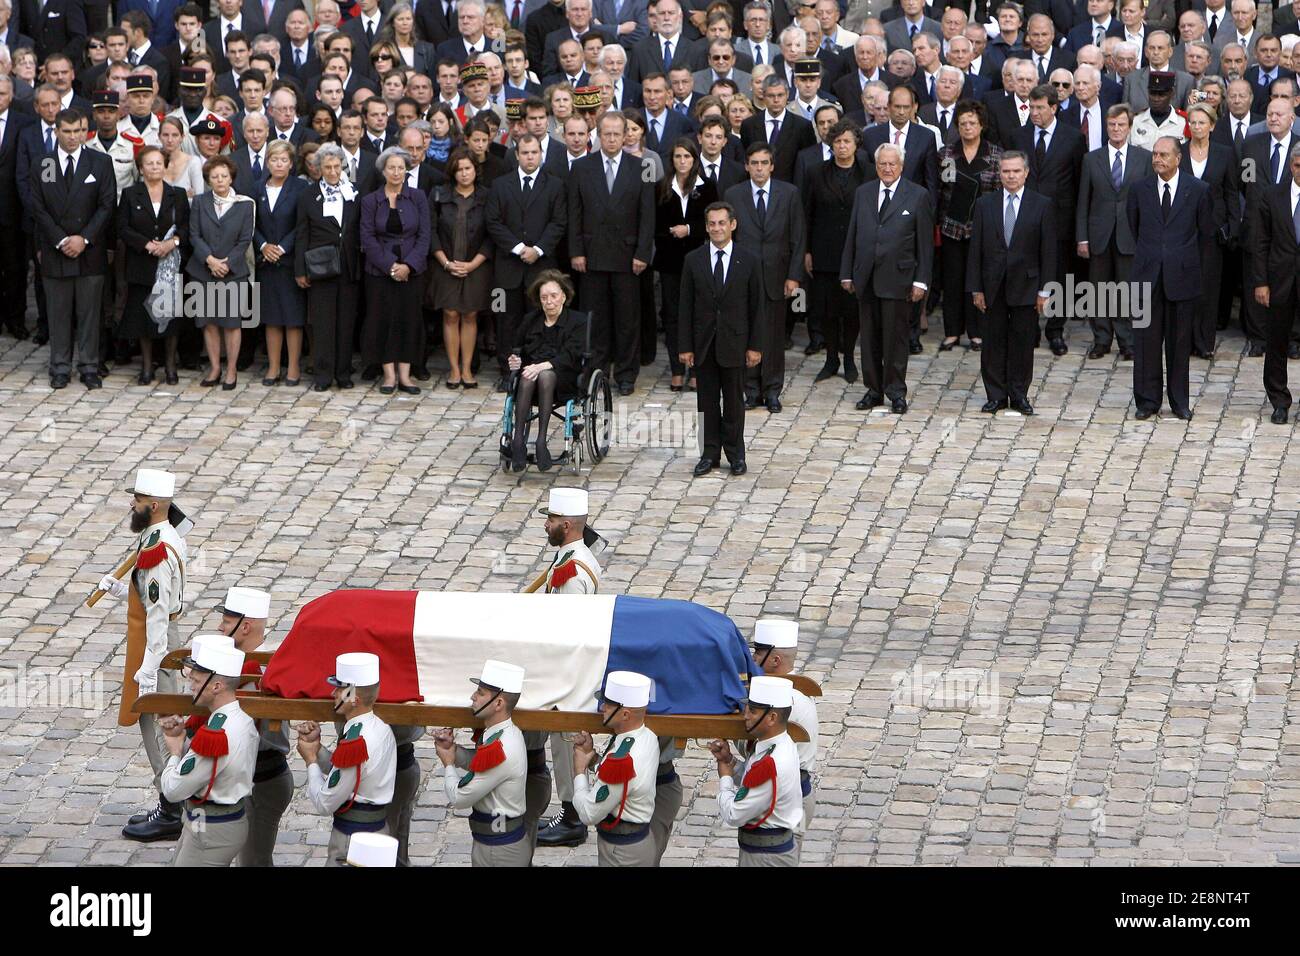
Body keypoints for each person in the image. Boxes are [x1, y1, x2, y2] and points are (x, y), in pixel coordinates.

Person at [101, 469, 189, 842]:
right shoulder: (162, 536)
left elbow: (157, 612)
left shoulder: (155, 548)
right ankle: (170, 803)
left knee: (157, 724)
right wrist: (124, 591)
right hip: (157, 637)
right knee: (157, 722)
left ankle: (171, 808)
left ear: (153, 505)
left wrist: (150, 668)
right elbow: (155, 596)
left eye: (136, 500)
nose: (131, 505)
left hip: (156, 644)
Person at [533, 486, 604, 848]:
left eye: (550, 520)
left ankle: (573, 817)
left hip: (566, 674)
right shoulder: (569, 557)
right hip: (561, 671)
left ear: (567, 524)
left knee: (566, 745)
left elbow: (571, 631)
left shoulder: (573, 571)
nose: (545, 526)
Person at [840, 142, 934, 415]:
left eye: (893, 164)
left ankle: (895, 391)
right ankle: (873, 389)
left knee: (895, 339)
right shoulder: (864, 193)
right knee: (869, 337)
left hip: (899, 279)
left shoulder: (917, 196)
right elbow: (853, 235)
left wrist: (921, 281)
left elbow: (925, 245)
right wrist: (847, 272)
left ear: (902, 167)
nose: (888, 168)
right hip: (866, 277)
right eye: (883, 164)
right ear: (876, 166)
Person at [567, 110, 655, 396]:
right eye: (608, 134)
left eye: (619, 133)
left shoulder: (640, 167)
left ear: (626, 134)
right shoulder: (582, 168)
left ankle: (627, 374)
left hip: (628, 257)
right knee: (595, 319)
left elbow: (647, 216)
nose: (613, 138)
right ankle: (597, 370)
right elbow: (574, 214)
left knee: (627, 319)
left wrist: (643, 253)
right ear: (599, 135)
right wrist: (576, 251)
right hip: (591, 256)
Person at [1126, 135, 1213, 420]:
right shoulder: (1139, 189)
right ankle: (1147, 401)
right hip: (1146, 275)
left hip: (1182, 276)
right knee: (1146, 342)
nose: (1157, 160)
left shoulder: (1198, 190)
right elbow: (1134, 225)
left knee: (1179, 343)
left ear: (1178, 158)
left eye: (1163, 155)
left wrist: (1183, 260)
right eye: (1154, 154)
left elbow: (1204, 234)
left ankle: (1179, 401)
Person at [29, 107, 116, 390]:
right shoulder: (46, 164)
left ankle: (90, 366)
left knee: (91, 313)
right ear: (56, 132)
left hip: (89, 250)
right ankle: (60, 367)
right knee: (58, 313)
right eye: (66, 132)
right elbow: (39, 207)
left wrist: (84, 238)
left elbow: (106, 205)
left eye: (77, 131)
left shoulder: (99, 162)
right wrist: (61, 239)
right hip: (57, 249)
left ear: (85, 131)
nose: (72, 137)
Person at [208, 586, 293, 868]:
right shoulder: (235, 666)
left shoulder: (264, 670)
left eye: (227, 622)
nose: (220, 627)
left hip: (263, 778)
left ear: (245, 626)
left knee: (254, 861)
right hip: (246, 778)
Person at [678, 201, 763, 477]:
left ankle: (736, 455)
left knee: (735, 403)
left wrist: (755, 346)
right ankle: (709, 454)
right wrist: (685, 346)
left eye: (722, 223)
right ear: (706, 227)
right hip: (704, 344)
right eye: (712, 224)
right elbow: (685, 306)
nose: (717, 228)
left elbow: (757, 307)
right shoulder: (694, 259)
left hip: (735, 343)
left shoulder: (749, 260)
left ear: (732, 224)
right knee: (707, 402)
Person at [968, 151, 1055, 416]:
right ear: (999, 173)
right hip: (992, 284)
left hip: (1026, 285)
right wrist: (976, 287)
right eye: (1006, 171)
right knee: (993, 341)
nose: (1011, 176)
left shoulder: (1041, 204)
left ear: (1026, 173)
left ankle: (1018, 394)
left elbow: (1048, 251)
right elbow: (975, 250)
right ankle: (995, 394)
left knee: (1022, 341)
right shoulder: (985, 204)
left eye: (1016, 171)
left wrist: (1045, 290)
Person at [157, 639, 258, 866]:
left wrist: (174, 751)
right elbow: (212, 769)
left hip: (210, 831)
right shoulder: (240, 718)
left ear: (216, 686)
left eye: (195, 680)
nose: (190, 685)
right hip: (217, 824)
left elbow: (173, 789)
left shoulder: (216, 734)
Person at [295, 652, 397, 867]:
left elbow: (325, 803)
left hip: (352, 840)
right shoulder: (380, 727)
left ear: (354, 698)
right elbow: (348, 769)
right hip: (377, 831)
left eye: (340, 689)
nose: (333, 692)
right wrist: (318, 748)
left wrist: (311, 760)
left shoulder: (356, 740)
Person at [724, 143, 805, 413]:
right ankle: (750, 389)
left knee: (772, 336)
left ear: (772, 166)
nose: (759, 168)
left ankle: (772, 390)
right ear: (746, 166)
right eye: (754, 163)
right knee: (745, 334)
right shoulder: (734, 194)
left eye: (764, 163)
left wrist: (794, 276)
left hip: (776, 276)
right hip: (743, 277)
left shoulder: (789, 193)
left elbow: (797, 237)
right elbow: (727, 238)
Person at [486, 133, 568, 393]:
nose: (530, 157)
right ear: (517, 154)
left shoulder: (554, 185)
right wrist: (520, 248)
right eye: (525, 153)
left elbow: (559, 222)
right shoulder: (501, 185)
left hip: (540, 268)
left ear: (541, 155)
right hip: (508, 267)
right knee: (506, 322)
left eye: (534, 152)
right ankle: (508, 373)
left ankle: (534, 371)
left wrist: (539, 249)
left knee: (538, 321)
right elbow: (494, 222)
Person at [433, 660, 533, 867]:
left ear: (498, 703)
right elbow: (481, 763)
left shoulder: (501, 747)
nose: (473, 697)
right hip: (493, 844)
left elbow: (460, 798)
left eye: (480, 693)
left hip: (498, 851)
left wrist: (449, 764)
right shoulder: (500, 734)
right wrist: (454, 750)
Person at [1077, 104, 1150, 361]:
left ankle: (1127, 341)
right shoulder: (1091, 159)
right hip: (1099, 234)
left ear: (1129, 127)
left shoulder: (1143, 158)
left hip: (1130, 235)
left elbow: (1147, 200)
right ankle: (1101, 339)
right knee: (1098, 290)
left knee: (1126, 290)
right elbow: (1083, 201)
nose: (1116, 129)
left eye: (1121, 124)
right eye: (1112, 125)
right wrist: (1082, 237)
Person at [707, 675, 804, 867]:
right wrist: (730, 761)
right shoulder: (778, 744)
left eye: (752, 711)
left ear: (772, 717)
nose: (745, 715)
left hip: (765, 858)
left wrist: (725, 778)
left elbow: (735, 814)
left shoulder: (771, 762)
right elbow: (751, 779)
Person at [1018, 82, 1086, 355]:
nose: (1034, 112)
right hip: (1026, 219)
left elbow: (1079, 181)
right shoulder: (1019, 135)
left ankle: (1055, 329)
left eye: (1039, 107)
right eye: (1031, 107)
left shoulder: (1073, 138)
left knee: (1060, 275)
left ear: (1054, 108)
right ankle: (1030, 328)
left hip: (1060, 219)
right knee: (1027, 273)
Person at [117, 145, 191, 386]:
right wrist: (146, 245)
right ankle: (147, 366)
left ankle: (170, 366)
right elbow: (123, 228)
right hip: (142, 263)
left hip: (170, 265)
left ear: (165, 165)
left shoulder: (177, 194)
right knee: (143, 317)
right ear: (141, 168)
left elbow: (186, 226)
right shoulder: (130, 194)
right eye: (149, 163)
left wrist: (173, 242)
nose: (155, 167)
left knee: (170, 317)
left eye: (159, 162)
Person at [571, 671, 661, 867]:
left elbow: (588, 814)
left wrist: (579, 769)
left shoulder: (621, 760)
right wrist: (594, 758)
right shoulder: (648, 737)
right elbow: (623, 779)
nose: (602, 707)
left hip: (622, 854)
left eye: (608, 705)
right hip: (635, 845)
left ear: (625, 714)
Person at [805, 119, 872, 380]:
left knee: (852, 308)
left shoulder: (868, 171)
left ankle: (849, 358)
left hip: (857, 250)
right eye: (837, 142)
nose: (842, 146)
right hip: (825, 250)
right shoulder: (816, 172)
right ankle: (831, 358)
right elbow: (807, 212)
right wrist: (807, 250)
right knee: (828, 308)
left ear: (856, 144)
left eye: (847, 141)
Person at [362, 145, 432, 395]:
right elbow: (367, 238)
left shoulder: (418, 197)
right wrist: (390, 266)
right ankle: (388, 375)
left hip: (412, 271)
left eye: (401, 168)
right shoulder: (371, 200)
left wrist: (408, 266)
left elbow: (425, 235)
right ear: (383, 171)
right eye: (391, 167)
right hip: (379, 272)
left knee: (409, 320)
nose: (396, 172)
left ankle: (405, 374)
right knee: (383, 320)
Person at [294, 143, 362, 392]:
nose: (333, 172)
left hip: (349, 265)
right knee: (322, 323)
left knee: (346, 322)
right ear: (318, 169)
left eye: (337, 166)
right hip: (320, 265)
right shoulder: (308, 195)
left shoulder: (354, 192)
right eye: (327, 167)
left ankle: (343, 373)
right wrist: (300, 269)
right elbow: (302, 233)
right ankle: (323, 374)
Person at [936, 101, 1001, 354]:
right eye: (963, 123)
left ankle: (977, 333)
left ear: (982, 125)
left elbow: (998, 191)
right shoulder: (946, 154)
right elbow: (941, 191)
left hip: (982, 228)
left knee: (979, 280)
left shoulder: (995, 154)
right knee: (952, 280)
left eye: (972, 122)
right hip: (952, 227)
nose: (967, 127)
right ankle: (952, 331)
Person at [749, 619, 819, 855]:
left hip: (788, 799)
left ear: (775, 659)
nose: (754, 659)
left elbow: (755, 745)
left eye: (758, 653)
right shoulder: (794, 689)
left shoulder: (782, 699)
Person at [507, 270, 587, 471]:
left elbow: (572, 355)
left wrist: (542, 366)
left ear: (564, 296)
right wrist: (515, 360)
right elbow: (518, 349)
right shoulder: (530, 320)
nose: (549, 301)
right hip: (531, 377)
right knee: (526, 376)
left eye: (553, 296)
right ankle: (518, 441)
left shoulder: (578, 321)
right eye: (544, 297)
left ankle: (541, 440)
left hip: (564, 377)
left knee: (545, 375)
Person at [655, 137, 717, 392]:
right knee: (673, 316)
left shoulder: (708, 187)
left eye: (687, 157)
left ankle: (697, 370)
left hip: (698, 261)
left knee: (698, 314)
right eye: (678, 157)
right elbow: (655, 226)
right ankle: (677, 369)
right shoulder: (661, 187)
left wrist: (689, 229)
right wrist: (670, 234)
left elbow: (714, 223)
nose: (682, 162)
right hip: (670, 262)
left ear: (695, 160)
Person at [188, 154, 255, 389]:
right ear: (208, 179)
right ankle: (215, 367)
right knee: (209, 322)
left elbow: (246, 238)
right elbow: (194, 234)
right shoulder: (199, 202)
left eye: (224, 176)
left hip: (233, 271)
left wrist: (226, 263)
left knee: (231, 322)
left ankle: (232, 369)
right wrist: (210, 260)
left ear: (231, 178)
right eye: (214, 176)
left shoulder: (245, 204)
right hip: (203, 270)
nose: (219, 180)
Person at [430, 146, 493, 388]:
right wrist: (445, 262)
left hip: (476, 265)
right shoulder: (439, 195)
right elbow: (431, 231)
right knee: (450, 314)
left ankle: (467, 368)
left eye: (468, 168)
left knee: (470, 314)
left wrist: (474, 263)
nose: (464, 174)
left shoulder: (486, 196)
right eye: (459, 170)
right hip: (445, 263)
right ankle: (453, 369)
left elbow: (491, 234)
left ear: (475, 170)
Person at [1182, 101, 1240, 360]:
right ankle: (1184, 341)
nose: (1197, 127)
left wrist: (1232, 226)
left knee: (1208, 288)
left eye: (1202, 122)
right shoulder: (1179, 152)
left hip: (1213, 232)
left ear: (1212, 125)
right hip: (1182, 230)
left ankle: (1205, 342)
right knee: (1184, 287)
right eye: (1193, 122)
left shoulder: (1225, 154)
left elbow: (1231, 192)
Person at [1250, 141, 1300, 424]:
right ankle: (1279, 401)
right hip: (1279, 280)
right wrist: (1261, 282)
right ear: (1291, 165)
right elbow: (1261, 242)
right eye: (1297, 165)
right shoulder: (1272, 195)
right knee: (1277, 343)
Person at [254, 139, 308, 386]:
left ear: (290, 163)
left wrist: (283, 247)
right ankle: (273, 367)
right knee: (272, 317)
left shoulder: (300, 187)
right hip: (266, 262)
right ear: (267, 162)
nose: (278, 164)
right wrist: (264, 245)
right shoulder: (257, 188)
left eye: (283, 160)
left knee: (293, 318)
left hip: (290, 262)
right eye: (274, 159)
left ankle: (293, 367)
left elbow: (302, 224)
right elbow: (249, 223)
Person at [160, 115, 205, 196]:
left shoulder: (193, 162)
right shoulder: (153, 162)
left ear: (182, 137)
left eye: (175, 135)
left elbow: (198, 198)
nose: (170, 140)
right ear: (159, 136)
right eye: (165, 135)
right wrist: (184, 195)